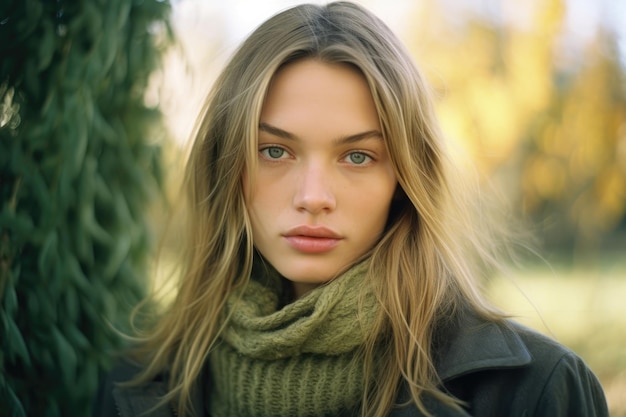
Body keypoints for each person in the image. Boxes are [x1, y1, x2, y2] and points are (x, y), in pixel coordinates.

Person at [93, 2, 609, 416]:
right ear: (226, 168)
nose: (313, 195)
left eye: (358, 156)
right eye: (274, 150)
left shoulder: (538, 391)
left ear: (405, 180)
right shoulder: (134, 385)